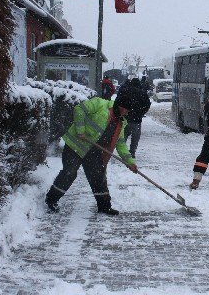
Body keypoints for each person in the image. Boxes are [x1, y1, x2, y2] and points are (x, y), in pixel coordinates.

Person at [44, 87, 147, 215]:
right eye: (126, 110)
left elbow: (120, 144)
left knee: (98, 176)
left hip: (93, 151)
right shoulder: (100, 104)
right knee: (69, 172)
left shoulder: (120, 123)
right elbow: (79, 109)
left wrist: (130, 162)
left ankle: (104, 207)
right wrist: (80, 130)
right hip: (75, 145)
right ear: (120, 106)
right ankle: (51, 200)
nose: (127, 113)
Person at [118, 76, 151, 158]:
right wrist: (142, 112)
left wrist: (122, 112)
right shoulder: (142, 93)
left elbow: (118, 102)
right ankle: (132, 152)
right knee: (135, 137)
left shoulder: (125, 91)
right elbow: (147, 104)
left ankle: (123, 151)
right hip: (137, 119)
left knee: (124, 134)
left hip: (126, 117)